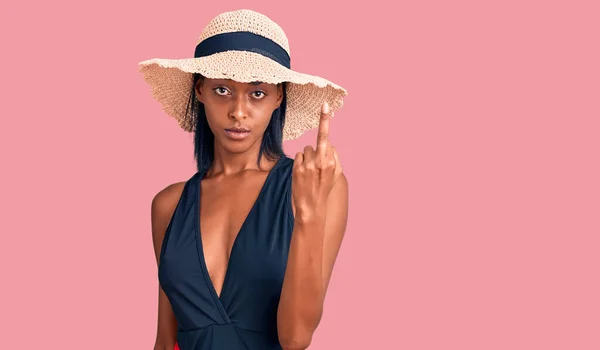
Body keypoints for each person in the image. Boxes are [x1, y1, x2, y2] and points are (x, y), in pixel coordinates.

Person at [138, 9, 349, 350]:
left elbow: (296, 338)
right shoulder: (168, 205)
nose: (238, 110)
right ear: (200, 91)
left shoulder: (315, 186)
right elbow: (165, 341)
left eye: (257, 93)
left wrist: (308, 212)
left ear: (279, 97)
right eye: (222, 90)